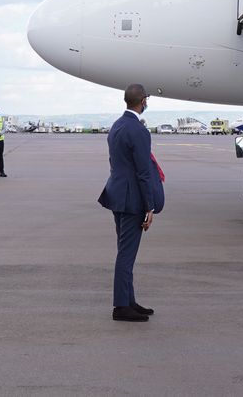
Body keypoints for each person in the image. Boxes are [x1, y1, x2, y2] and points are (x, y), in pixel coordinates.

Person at [97, 84, 165, 321]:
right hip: (132, 200)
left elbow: (115, 162)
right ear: (143, 101)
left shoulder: (116, 126)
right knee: (126, 254)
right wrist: (150, 206)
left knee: (124, 250)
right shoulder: (139, 130)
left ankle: (128, 300)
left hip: (116, 195)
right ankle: (120, 307)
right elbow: (144, 172)